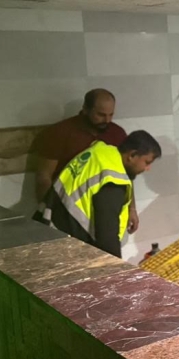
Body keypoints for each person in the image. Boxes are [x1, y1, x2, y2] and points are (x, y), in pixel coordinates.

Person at [33, 88, 140, 233]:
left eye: (111, 114)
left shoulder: (117, 134)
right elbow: (44, 177)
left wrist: (132, 208)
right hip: (70, 211)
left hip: (107, 211)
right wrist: (51, 213)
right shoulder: (59, 133)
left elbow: (126, 175)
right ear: (85, 109)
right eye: (101, 115)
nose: (107, 120)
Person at [45, 131, 161, 258]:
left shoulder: (101, 151)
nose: (147, 169)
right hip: (66, 246)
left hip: (50, 224)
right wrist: (117, 268)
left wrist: (131, 208)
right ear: (132, 155)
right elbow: (107, 239)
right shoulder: (112, 183)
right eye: (147, 162)